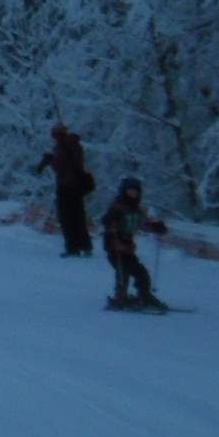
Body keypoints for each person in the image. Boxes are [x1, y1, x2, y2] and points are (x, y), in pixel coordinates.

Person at [101, 177, 168, 309]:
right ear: (124, 191)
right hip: (114, 246)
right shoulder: (117, 206)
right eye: (130, 191)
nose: (133, 194)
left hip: (127, 248)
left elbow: (143, 224)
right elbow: (106, 219)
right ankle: (120, 297)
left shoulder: (137, 210)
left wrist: (156, 227)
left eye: (135, 191)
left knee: (141, 272)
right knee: (123, 271)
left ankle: (144, 295)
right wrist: (110, 223)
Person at [34, 124, 96, 256]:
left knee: (66, 218)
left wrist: (49, 160)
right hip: (77, 186)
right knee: (78, 216)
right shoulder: (74, 145)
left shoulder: (63, 147)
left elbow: (61, 167)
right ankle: (85, 246)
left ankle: (73, 248)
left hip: (66, 186)